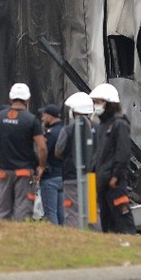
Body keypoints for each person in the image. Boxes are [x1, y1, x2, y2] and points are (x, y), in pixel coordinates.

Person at [0, 82, 46, 221]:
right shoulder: (31, 120)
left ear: (10, 99)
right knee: (22, 207)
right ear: (27, 100)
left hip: (5, 170)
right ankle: (19, 236)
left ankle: (2, 237)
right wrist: (41, 166)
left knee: (3, 208)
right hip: (24, 171)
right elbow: (42, 147)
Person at [90, 82, 136, 234]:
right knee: (107, 221)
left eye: (99, 102)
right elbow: (99, 155)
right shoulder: (102, 126)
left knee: (123, 218)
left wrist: (116, 175)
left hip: (114, 183)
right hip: (102, 183)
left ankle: (131, 245)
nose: (97, 105)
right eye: (95, 102)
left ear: (110, 103)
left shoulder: (119, 124)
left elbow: (123, 152)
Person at [54, 91, 94, 228]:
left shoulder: (68, 130)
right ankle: (96, 237)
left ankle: (75, 237)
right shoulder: (97, 128)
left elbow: (58, 151)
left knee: (72, 211)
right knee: (93, 211)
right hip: (92, 177)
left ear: (74, 111)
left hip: (71, 177)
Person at [38, 104, 65, 225]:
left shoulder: (51, 134)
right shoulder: (65, 130)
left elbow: (43, 151)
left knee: (50, 213)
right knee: (61, 213)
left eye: (44, 115)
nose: (42, 118)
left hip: (50, 178)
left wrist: (40, 167)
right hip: (62, 176)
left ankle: (55, 238)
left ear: (50, 116)